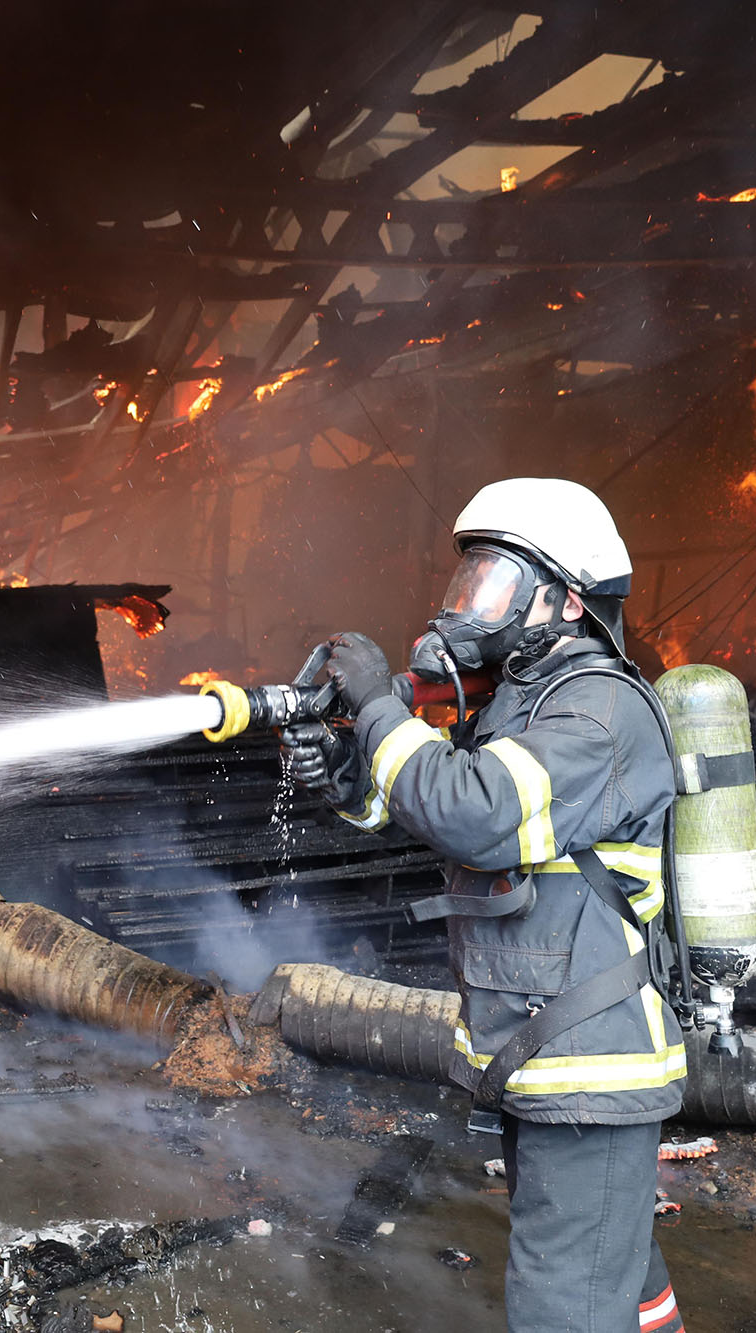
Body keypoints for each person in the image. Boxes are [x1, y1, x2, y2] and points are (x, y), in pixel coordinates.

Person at [282, 477, 687, 1333]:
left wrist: (378, 706)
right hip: (543, 1056)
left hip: (587, 1064)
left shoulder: (599, 710)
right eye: (468, 580)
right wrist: (345, 772)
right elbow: (430, 796)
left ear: (567, 600)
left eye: (496, 582)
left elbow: (478, 813)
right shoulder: (520, 705)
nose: (470, 604)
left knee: (564, 1307)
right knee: (613, 1276)